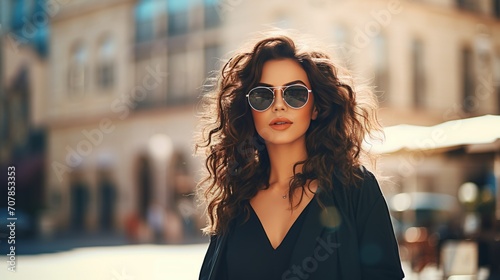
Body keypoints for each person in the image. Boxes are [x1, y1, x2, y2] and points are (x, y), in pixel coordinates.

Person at [195, 30, 404, 280]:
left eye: (295, 93)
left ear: (315, 108)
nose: (279, 105)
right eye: (263, 95)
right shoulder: (234, 202)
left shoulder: (356, 188)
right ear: (249, 109)